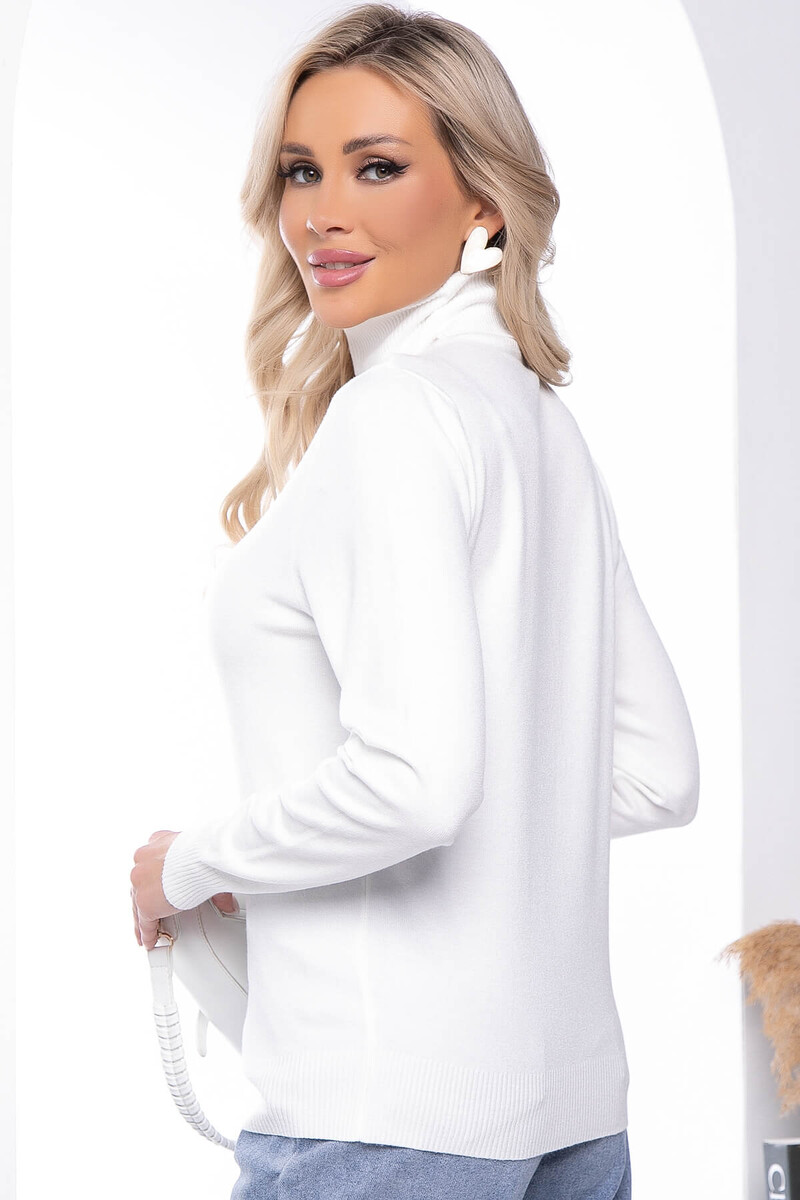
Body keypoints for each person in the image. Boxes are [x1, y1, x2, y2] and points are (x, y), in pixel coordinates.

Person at [129, 4, 700, 1196]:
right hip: (569, 1121)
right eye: (301, 171)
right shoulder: (537, 425)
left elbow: (415, 784)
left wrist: (191, 864)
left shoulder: (394, 418)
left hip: (380, 1123)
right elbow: (653, 774)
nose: (320, 213)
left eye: (376, 167)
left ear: (482, 198)